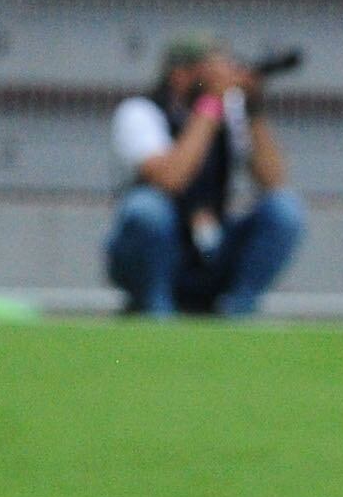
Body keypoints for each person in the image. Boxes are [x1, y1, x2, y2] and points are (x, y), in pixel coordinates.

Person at [104, 39, 305, 316]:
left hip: (212, 242)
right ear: (179, 74)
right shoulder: (140, 112)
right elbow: (169, 178)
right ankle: (155, 309)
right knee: (145, 208)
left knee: (285, 209)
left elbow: (273, 180)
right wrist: (210, 105)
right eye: (210, 71)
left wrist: (253, 108)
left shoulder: (231, 114)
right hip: (161, 249)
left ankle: (237, 311)